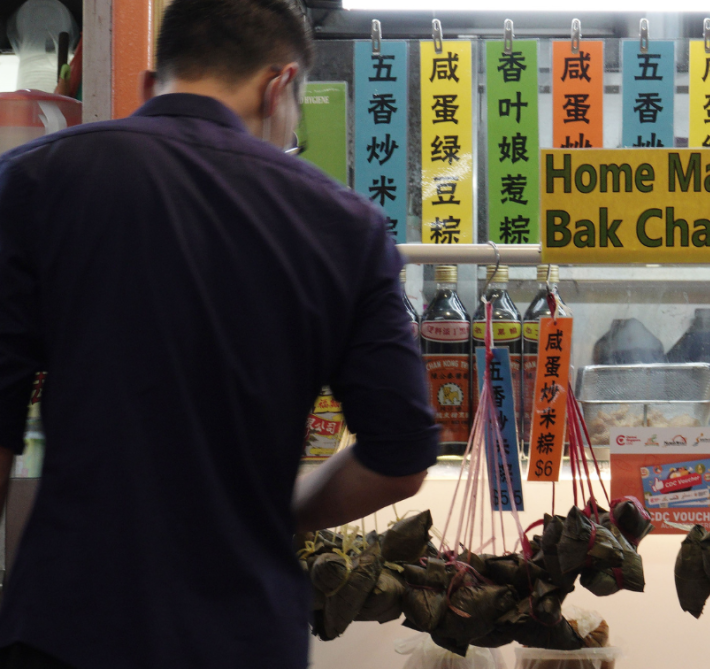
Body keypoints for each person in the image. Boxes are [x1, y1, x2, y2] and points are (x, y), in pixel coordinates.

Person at [0, 1, 440, 667]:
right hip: (243, 634)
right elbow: (400, 458)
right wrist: (276, 508)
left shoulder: (36, 180)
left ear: (152, 85)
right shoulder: (346, 227)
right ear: (279, 86)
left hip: (67, 625)